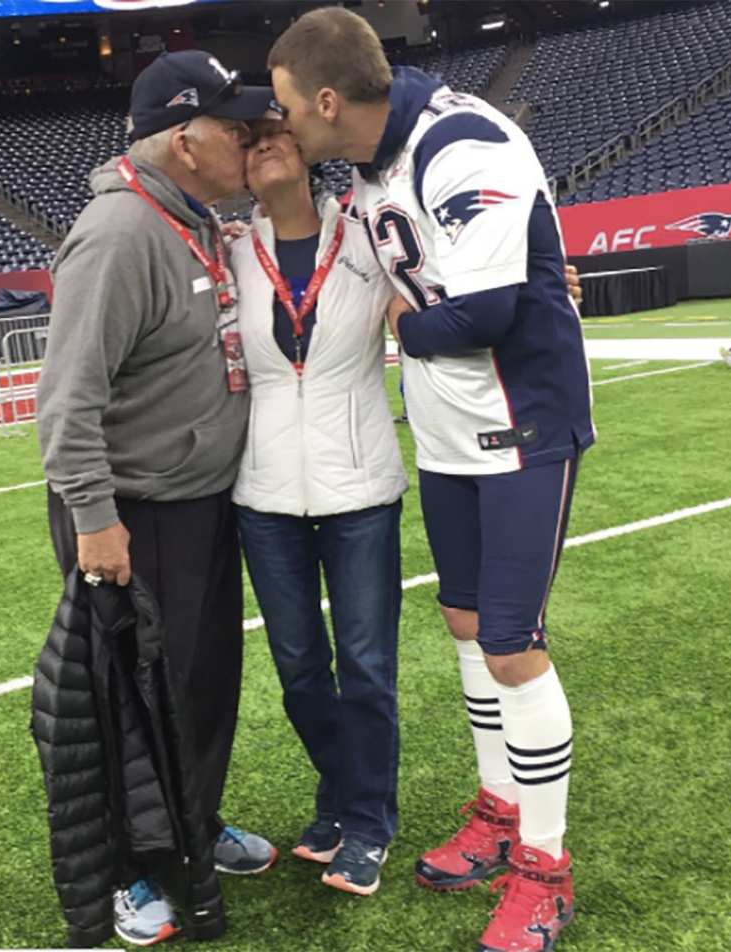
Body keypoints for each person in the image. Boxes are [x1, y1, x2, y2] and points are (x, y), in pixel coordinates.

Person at [269, 10, 595, 952]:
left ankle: (547, 868)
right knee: (463, 628)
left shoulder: (463, 138)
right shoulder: (370, 170)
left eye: (288, 106)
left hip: (523, 426)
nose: (284, 123)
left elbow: (487, 310)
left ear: (329, 102)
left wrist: (404, 329)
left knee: (510, 645)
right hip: (451, 436)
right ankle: (499, 808)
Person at [36, 50, 277, 947]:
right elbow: (66, 400)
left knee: (201, 688)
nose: (250, 143)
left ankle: (191, 827)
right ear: (186, 138)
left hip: (199, 503)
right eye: (237, 129)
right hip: (134, 512)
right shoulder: (120, 233)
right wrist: (96, 517)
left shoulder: (192, 218)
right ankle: (133, 871)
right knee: (126, 703)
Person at [230, 112, 407, 896]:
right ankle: (340, 791)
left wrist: (547, 285)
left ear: (307, 152)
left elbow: (431, 299)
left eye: (276, 132)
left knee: (367, 669)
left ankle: (367, 821)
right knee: (301, 670)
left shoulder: (368, 237)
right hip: (264, 493)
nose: (263, 144)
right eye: (248, 141)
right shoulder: (232, 251)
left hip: (361, 485)